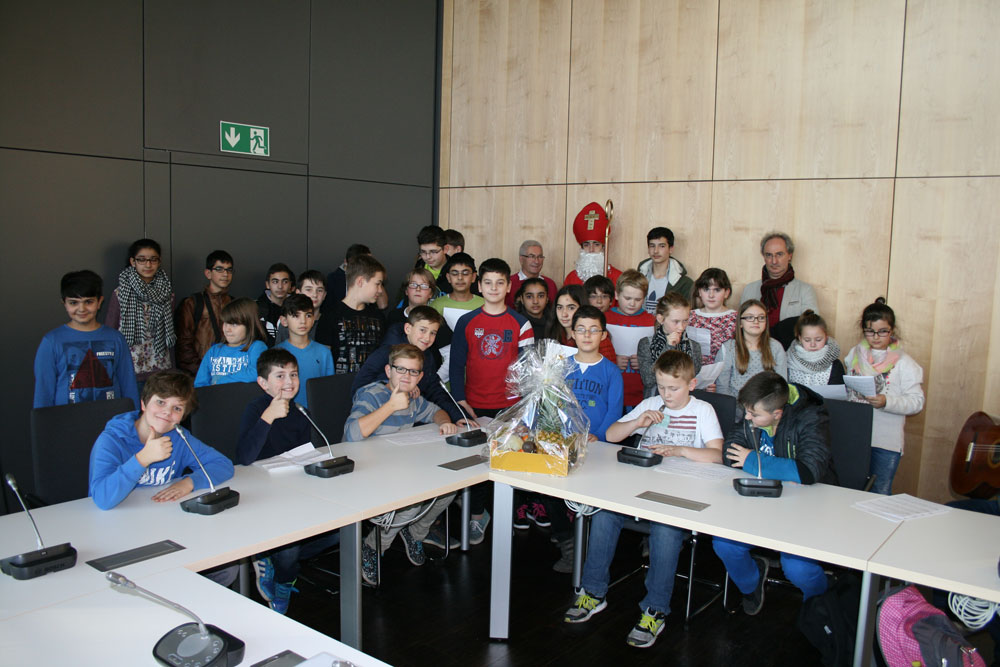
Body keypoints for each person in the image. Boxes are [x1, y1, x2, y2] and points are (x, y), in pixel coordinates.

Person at [565, 351, 722, 648]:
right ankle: (593, 592)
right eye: (662, 387)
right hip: (639, 489)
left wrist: (681, 452)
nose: (667, 394)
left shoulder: (703, 410)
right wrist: (636, 422)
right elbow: (612, 435)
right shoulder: (652, 403)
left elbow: (717, 454)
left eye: (673, 388)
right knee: (604, 514)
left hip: (680, 493)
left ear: (692, 384)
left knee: (665, 530)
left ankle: (655, 608)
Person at [715, 371, 834, 615]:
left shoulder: (811, 416)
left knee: (797, 567)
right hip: (759, 502)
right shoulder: (754, 412)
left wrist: (752, 460)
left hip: (804, 509)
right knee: (725, 545)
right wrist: (775, 468)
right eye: (746, 411)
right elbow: (730, 453)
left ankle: (822, 605)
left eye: (754, 415)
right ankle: (751, 584)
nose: (746, 418)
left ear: (776, 414)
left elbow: (808, 471)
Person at [344, 343, 458, 584]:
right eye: (401, 370)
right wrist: (390, 407)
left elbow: (436, 411)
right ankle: (373, 546)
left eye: (413, 372)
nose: (407, 376)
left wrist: (444, 422)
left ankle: (414, 532)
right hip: (365, 471)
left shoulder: (413, 398)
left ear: (421, 376)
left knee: (450, 487)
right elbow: (352, 434)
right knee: (411, 503)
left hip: (398, 468)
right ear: (388, 371)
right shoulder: (372, 394)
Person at [238, 349, 340, 614]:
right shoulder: (255, 409)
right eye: (280, 376)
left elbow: (302, 453)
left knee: (341, 529)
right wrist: (269, 416)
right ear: (263, 383)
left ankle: (271, 557)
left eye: (293, 375)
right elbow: (245, 457)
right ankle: (284, 576)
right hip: (261, 492)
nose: (289, 382)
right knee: (291, 545)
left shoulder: (299, 411)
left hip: (293, 487)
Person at [451, 258, 534, 543]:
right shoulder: (467, 321)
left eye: (500, 282)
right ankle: (476, 517)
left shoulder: (521, 324)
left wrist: (521, 407)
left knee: (506, 464)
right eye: (488, 282)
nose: (494, 288)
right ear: (479, 285)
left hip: (509, 407)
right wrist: (460, 400)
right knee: (476, 464)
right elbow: (456, 364)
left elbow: (527, 371)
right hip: (474, 405)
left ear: (509, 286)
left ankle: (504, 517)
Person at [88, 369, 234, 511]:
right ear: (144, 404)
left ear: (183, 417)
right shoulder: (112, 440)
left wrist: (190, 482)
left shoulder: (179, 437)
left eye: (177, 408)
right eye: (161, 402)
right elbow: (102, 499)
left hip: (162, 513)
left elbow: (223, 464)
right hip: (117, 518)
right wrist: (142, 459)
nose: (167, 412)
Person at [844, 298, 924, 495]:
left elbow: (917, 402)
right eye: (870, 332)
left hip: (885, 442)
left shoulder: (905, 363)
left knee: (879, 492)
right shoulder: (854, 354)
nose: (876, 337)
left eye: (883, 331)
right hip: (855, 436)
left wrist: (886, 401)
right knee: (849, 490)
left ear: (892, 330)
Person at [34, 270, 139, 408]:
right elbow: (44, 391)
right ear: (64, 303)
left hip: (112, 423)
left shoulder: (116, 338)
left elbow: (128, 384)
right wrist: (43, 426)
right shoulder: (51, 341)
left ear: (100, 301)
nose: (81, 309)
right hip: (66, 423)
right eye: (73, 303)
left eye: (88, 301)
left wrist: (134, 420)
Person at [351, 306, 465, 425]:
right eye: (422, 330)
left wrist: (459, 416)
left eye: (433, 333)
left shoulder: (427, 356)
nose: (427, 337)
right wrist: (401, 385)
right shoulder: (386, 352)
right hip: (377, 419)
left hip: (410, 418)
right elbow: (359, 387)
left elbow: (435, 390)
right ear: (408, 329)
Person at [105, 238, 175, 383]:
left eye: (153, 260)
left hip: (161, 368)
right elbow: (110, 330)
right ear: (133, 262)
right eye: (142, 260)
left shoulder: (167, 293)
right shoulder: (121, 293)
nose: (148, 265)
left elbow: (170, 331)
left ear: (159, 261)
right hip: (130, 367)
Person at [740, 232, 818, 349]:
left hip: (791, 353)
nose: (774, 261)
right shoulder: (750, 289)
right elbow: (741, 328)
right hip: (755, 351)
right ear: (763, 257)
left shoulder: (805, 290)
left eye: (779, 254)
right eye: (769, 255)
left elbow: (813, 327)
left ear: (790, 256)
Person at [314, 254, 386, 374]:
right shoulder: (330, 316)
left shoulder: (378, 317)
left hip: (370, 388)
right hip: (337, 388)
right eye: (377, 284)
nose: (380, 290)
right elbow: (322, 362)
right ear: (360, 281)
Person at [174, 250, 234, 375]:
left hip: (229, 371)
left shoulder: (234, 303)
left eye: (229, 270)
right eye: (219, 269)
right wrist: (202, 371)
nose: (225, 274)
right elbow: (184, 344)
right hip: (199, 373)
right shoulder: (193, 303)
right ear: (208, 273)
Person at [604, 269, 656, 409]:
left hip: (640, 390)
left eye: (638, 299)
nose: (632, 303)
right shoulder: (605, 319)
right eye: (627, 298)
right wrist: (613, 359)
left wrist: (644, 362)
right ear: (616, 294)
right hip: (611, 389)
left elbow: (659, 356)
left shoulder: (651, 321)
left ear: (644, 298)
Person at [638, 292, 702, 399]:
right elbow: (648, 380)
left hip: (685, 401)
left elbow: (691, 377)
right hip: (656, 400)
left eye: (685, 321)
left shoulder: (694, 346)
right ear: (660, 319)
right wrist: (668, 347)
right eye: (675, 322)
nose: (681, 327)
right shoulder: (646, 343)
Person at [716, 299, 787, 397]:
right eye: (750, 317)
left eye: (761, 317)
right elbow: (722, 387)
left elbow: (782, 383)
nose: (756, 321)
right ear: (740, 323)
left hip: (767, 404)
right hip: (736, 404)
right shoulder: (728, 348)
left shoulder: (775, 347)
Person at [275, 294, 334, 410]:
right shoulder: (276, 353)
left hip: (316, 413)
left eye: (308, 315)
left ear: (313, 319)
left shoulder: (324, 352)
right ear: (284, 320)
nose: (303, 321)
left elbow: (329, 388)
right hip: (284, 413)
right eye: (296, 316)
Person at [194, 298, 267, 387]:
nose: (227, 329)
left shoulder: (257, 347)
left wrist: (223, 380)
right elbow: (200, 384)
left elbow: (258, 373)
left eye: (234, 324)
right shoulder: (214, 350)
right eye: (225, 323)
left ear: (249, 325)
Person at [544, 284, 617, 363]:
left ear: (583, 308)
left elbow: (608, 371)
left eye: (571, 308)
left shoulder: (598, 338)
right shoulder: (553, 332)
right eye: (559, 307)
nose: (564, 314)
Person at [637, 226, 694, 312]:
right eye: (652, 246)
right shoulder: (636, 278)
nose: (656, 251)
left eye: (662, 246)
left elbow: (687, 314)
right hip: (640, 325)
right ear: (648, 249)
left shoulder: (685, 284)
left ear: (671, 249)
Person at [564, 202, 622, 287]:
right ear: (582, 247)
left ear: (603, 247)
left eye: (596, 244)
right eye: (586, 244)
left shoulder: (618, 278)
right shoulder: (571, 278)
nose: (591, 249)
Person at [687, 268, 737, 365]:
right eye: (706, 289)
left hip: (726, 372)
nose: (711, 295)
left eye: (717, 290)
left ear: (726, 292)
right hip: (693, 372)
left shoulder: (735, 318)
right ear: (699, 292)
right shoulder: (689, 316)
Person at [786, 310, 845, 387]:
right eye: (807, 340)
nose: (813, 344)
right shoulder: (788, 360)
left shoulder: (835, 365)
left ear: (826, 337)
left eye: (818, 340)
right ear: (800, 338)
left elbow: (838, 393)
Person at [275, 270, 327, 344]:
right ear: (298, 292)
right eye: (309, 289)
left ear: (324, 295)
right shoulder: (289, 322)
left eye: (319, 290)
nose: (314, 295)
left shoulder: (329, 323)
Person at [507, 239, 557, 306]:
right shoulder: (509, 283)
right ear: (521, 259)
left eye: (540, 257)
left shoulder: (550, 284)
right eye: (531, 256)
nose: (536, 261)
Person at [256, 263, 295, 346]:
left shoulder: (296, 307)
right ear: (267, 284)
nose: (280, 286)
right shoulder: (256, 308)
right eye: (275, 281)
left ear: (290, 284)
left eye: (285, 281)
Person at [413, 225, 451, 295]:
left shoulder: (456, 271)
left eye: (433, 252)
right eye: (423, 252)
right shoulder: (418, 266)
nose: (428, 257)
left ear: (445, 249)